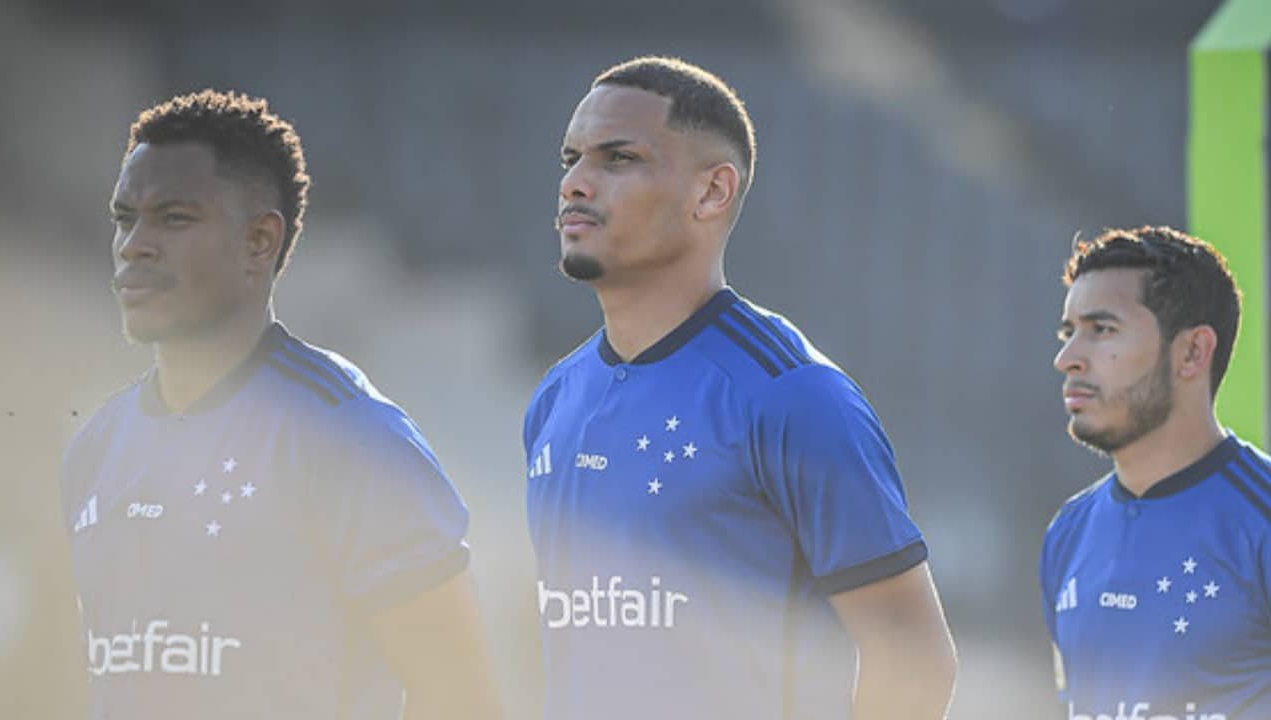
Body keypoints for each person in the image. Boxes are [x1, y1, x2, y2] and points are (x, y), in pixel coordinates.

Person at [523, 56, 957, 719]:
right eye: (571, 159)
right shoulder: (556, 397)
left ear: (712, 192)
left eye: (618, 158)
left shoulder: (793, 396)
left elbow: (915, 659)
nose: (575, 183)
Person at [61, 89, 502, 720]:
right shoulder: (96, 447)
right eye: (124, 218)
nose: (134, 244)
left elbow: (463, 700)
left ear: (260, 241)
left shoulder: (348, 435)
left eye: (173, 218)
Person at [1044, 226, 1271, 718]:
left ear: (1192, 352)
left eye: (1102, 330)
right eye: (1068, 332)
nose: (1067, 359)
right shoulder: (1068, 532)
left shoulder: (1261, 520)